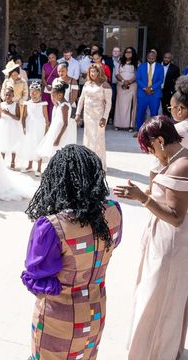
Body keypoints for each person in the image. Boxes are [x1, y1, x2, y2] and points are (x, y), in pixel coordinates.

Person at [114, 116, 188, 360]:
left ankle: (154, 351)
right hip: (179, 234)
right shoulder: (180, 157)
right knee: (163, 292)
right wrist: (147, 192)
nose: (152, 154)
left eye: (151, 148)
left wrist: (142, 198)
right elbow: (167, 196)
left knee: (161, 296)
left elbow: (176, 216)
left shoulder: (182, 167)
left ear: (160, 140)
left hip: (176, 239)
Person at [22, 145, 122, 360]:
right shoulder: (114, 211)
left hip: (59, 321)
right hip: (96, 313)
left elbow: (37, 273)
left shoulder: (52, 226)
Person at [75, 64, 113, 169]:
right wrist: (78, 113)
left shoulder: (105, 85)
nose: (92, 74)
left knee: (98, 139)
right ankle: (88, 162)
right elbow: (81, 99)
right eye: (91, 72)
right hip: (87, 115)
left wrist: (105, 117)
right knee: (88, 138)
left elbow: (109, 103)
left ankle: (99, 164)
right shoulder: (87, 84)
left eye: (95, 72)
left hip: (99, 116)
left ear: (99, 72)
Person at [37, 79, 74, 160]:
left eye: (53, 94)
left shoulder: (64, 106)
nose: (52, 96)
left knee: (59, 151)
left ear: (60, 95)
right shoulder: (59, 105)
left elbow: (65, 124)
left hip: (60, 133)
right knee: (54, 152)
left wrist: (58, 138)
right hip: (56, 129)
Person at [19, 82, 49, 176]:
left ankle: (39, 168)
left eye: (36, 92)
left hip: (39, 127)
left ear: (40, 93)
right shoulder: (27, 103)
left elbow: (46, 118)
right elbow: (23, 117)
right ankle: (30, 165)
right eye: (32, 92)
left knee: (38, 144)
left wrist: (46, 129)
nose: (33, 94)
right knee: (30, 144)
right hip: (29, 126)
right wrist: (23, 127)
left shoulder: (43, 104)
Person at [135, 50, 164, 134]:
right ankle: (139, 131)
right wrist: (145, 88)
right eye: (149, 57)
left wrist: (151, 89)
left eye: (153, 57)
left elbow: (160, 80)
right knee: (140, 112)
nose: (151, 59)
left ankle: (152, 132)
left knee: (154, 114)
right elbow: (138, 79)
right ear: (147, 57)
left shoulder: (160, 67)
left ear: (155, 58)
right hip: (142, 93)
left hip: (154, 94)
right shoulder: (141, 66)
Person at [0, 86, 23, 170]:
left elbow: (18, 118)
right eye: (6, 95)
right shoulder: (1, 104)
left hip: (12, 125)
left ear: (13, 95)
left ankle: (13, 161)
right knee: (3, 142)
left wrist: (9, 114)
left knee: (13, 142)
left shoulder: (16, 105)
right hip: (3, 125)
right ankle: (1, 161)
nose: (8, 97)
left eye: (10, 95)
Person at [114, 47, 139, 131]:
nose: (128, 53)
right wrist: (123, 81)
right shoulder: (120, 61)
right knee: (120, 105)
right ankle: (118, 124)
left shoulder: (137, 63)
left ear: (133, 53)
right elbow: (117, 74)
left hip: (132, 86)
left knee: (131, 104)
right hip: (121, 85)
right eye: (126, 52)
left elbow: (137, 75)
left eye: (130, 52)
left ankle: (130, 125)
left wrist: (129, 82)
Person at [161, 52, 180, 118]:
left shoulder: (175, 68)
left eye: (168, 58)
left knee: (166, 110)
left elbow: (177, 80)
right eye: (165, 57)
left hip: (167, 92)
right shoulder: (157, 66)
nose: (166, 59)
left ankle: (166, 125)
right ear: (163, 58)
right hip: (156, 90)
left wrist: (172, 91)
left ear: (171, 59)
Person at [42, 49, 60, 117]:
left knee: (54, 104)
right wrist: (46, 86)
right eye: (49, 58)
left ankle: (53, 120)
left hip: (56, 88)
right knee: (46, 104)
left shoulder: (59, 66)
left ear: (56, 57)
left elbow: (61, 77)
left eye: (53, 57)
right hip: (47, 89)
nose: (51, 59)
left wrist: (54, 87)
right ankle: (46, 121)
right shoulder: (45, 65)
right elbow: (43, 78)